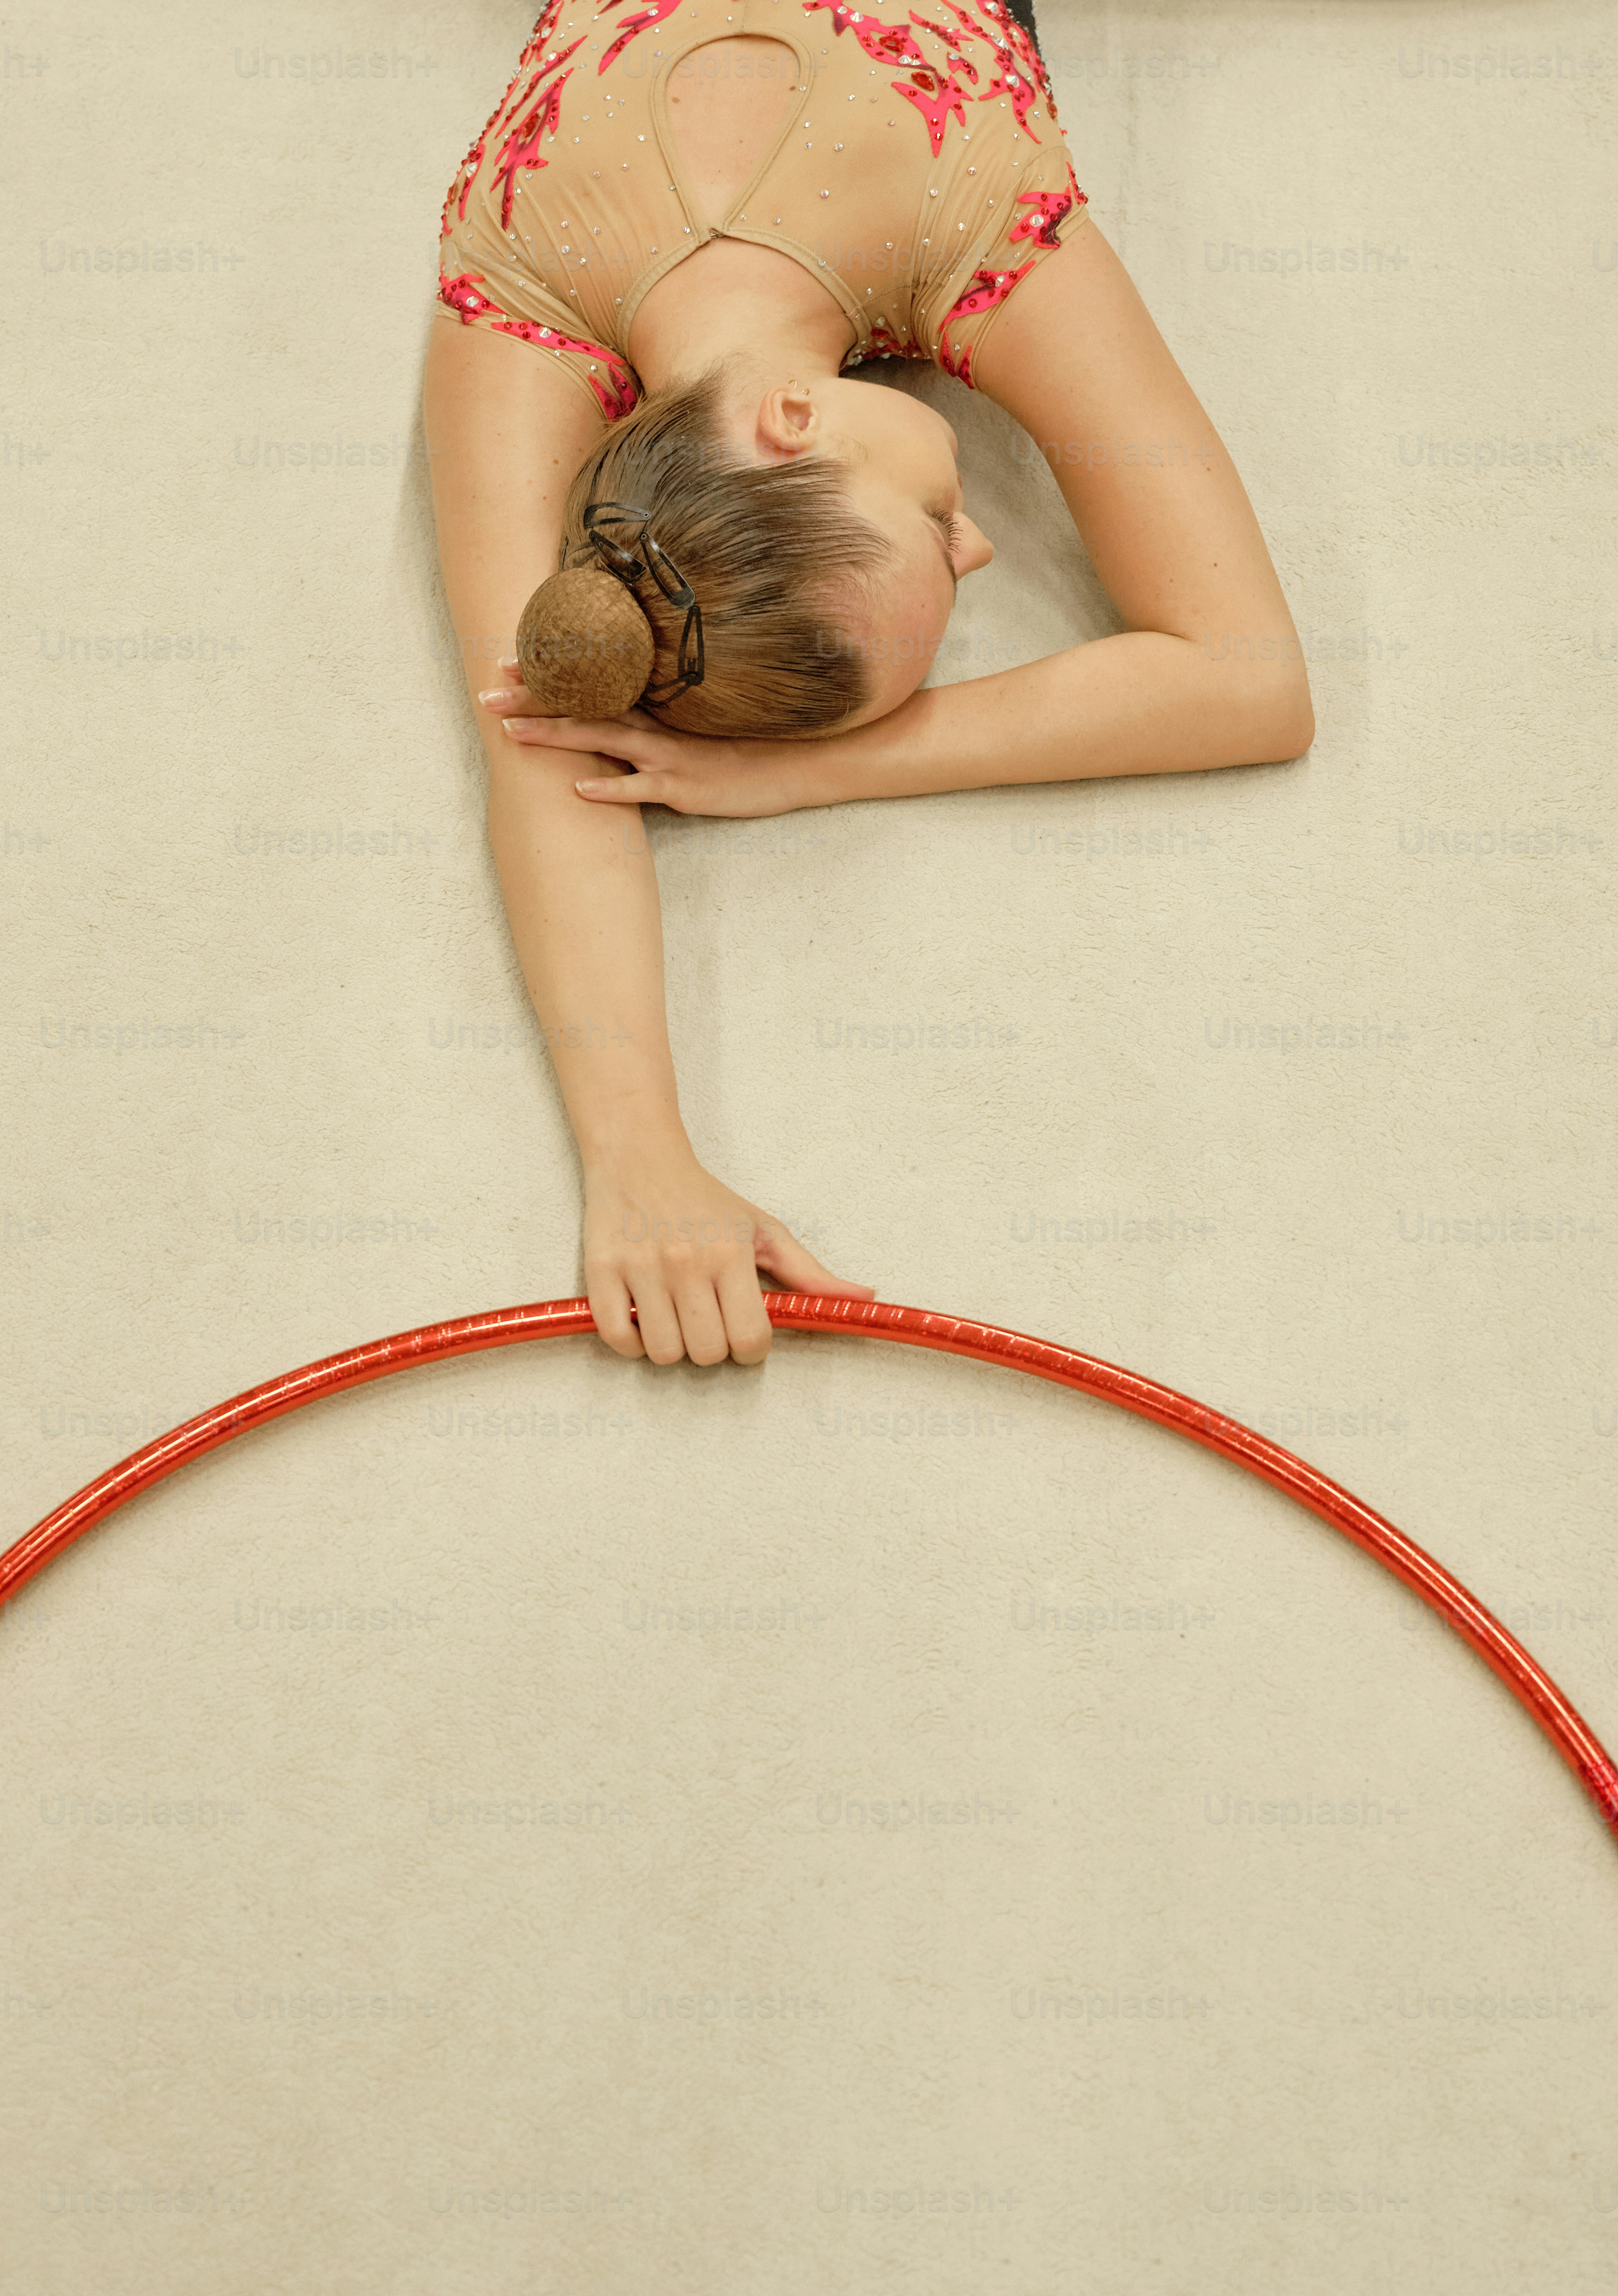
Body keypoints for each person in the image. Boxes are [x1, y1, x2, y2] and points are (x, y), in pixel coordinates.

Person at [424, 0, 1312, 1371]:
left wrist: (807, 766)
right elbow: (539, 735)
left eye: (931, 537)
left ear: (792, 427)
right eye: (960, 556)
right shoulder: (516, 275)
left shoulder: (965, 194)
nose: (985, 538)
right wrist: (642, 1161)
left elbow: (1250, 684)